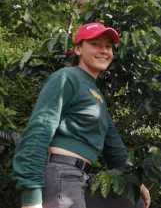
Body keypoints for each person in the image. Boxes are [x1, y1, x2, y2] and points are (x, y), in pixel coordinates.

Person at [13, 22, 151, 208]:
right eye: (95, 44)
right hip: (61, 174)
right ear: (78, 49)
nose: (104, 50)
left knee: (134, 201)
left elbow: (114, 146)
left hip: (84, 178)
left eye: (108, 46)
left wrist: (135, 182)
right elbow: (40, 129)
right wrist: (32, 197)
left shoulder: (96, 95)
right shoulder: (67, 78)